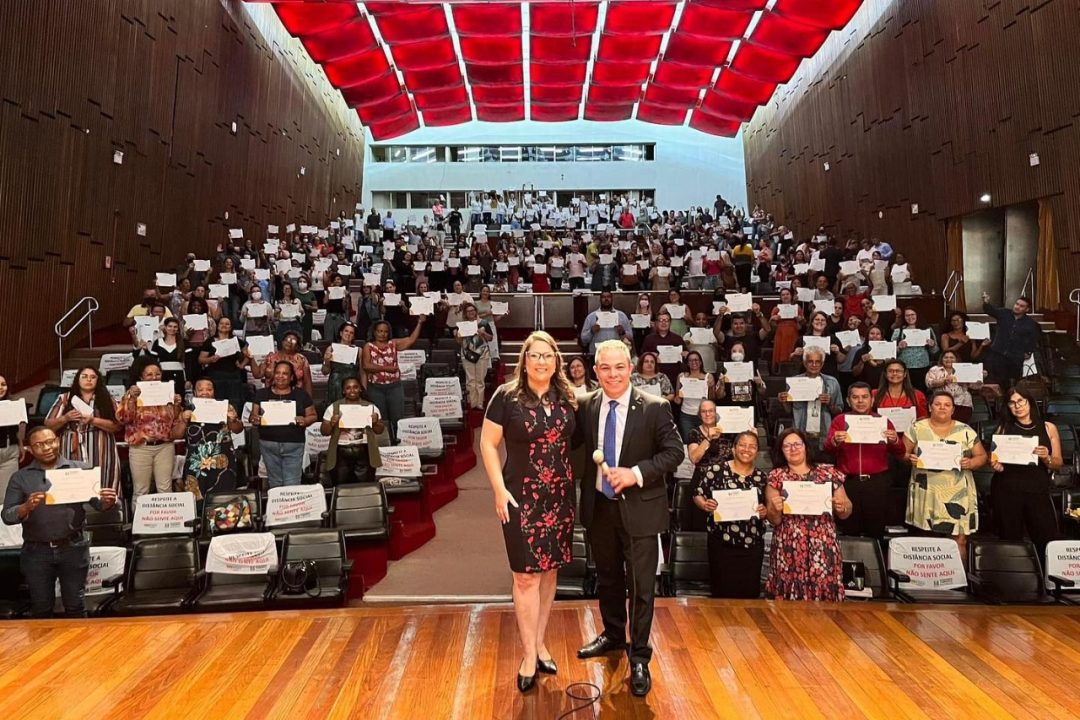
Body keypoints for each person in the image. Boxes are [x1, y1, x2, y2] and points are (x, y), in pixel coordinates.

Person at [573, 340, 683, 697]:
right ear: (595, 372)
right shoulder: (586, 405)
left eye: (619, 367)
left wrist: (635, 473)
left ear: (631, 368)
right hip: (599, 508)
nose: (613, 374)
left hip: (641, 509)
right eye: (605, 368)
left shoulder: (655, 407)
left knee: (640, 587)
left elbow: (674, 453)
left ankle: (639, 656)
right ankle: (613, 635)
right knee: (607, 578)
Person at [480, 331, 578, 693]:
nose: (541, 362)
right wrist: (498, 489)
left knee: (549, 572)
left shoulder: (567, 396)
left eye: (548, 356)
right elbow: (488, 444)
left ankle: (539, 643)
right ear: (524, 360)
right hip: (520, 497)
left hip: (560, 498)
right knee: (525, 576)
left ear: (556, 361)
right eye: (534, 356)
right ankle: (526, 655)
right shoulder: (505, 397)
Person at [1, 426, 118, 617]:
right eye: (39, 445)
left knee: (75, 606)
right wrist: (26, 507)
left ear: (57, 441)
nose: (46, 448)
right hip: (36, 552)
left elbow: (100, 505)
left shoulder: (80, 469)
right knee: (41, 608)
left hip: (73, 547)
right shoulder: (20, 477)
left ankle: (80, 647)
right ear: (30, 449)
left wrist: (109, 501)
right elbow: (7, 515)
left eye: (50, 442)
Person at [764, 428, 852, 601]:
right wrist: (775, 508)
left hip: (823, 546)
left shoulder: (828, 473)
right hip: (788, 548)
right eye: (787, 446)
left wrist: (842, 507)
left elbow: (846, 511)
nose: (793, 448)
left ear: (806, 447)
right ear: (781, 451)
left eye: (797, 444)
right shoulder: (776, 477)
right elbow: (773, 520)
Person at [903, 391, 987, 563]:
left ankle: (958, 582)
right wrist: (909, 458)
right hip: (927, 490)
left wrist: (970, 463)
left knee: (958, 539)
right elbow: (902, 453)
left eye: (947, 405)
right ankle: (929, 578)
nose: (942, 407)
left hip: (957, 493)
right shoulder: (917, 428)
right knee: (926, 538)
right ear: (929, 407)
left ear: (953, 409)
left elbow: (982, 457)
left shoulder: (965, 430)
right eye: (938, 404)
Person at [823, 382, 906, 539]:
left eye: (864, 397)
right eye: (855, 397)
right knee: (849, 530)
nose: (860, 401)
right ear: (848, 401)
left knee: (876, 530)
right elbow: (827, 448)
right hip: (848, 483)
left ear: (872, 400)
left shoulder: (883, 421)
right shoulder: (840, 420)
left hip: (877, 483)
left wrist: (895, 440)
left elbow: (900, 452)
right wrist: (835, 440)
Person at [692, 430, 768, 598]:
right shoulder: (716, 470)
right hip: (721, 544)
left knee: (749, 597)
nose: (746, 449)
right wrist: (704, 504)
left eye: (752, 446)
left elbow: (768, 509)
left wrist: (765, 511)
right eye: (742, 445)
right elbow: (698, 494)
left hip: (752, 546)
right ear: (734, 448)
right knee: (721, 597)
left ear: (757, 452)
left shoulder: (762, 478)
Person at [989, 387, 1061, 560]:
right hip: (1007, 489)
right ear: (1008, 406)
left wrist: (1047, 458)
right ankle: (1013, 581)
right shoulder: (1003, 428)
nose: (1017, 406)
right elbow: (993, 459)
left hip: (1037, 489)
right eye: (1012, 402)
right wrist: (995, 464)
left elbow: (1057, 463)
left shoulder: (1048, 428)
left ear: (1030, 402)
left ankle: (1048, 581)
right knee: (1010, 539)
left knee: (1045, 537)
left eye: (1021, 401)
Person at [116, 358, 187, 497]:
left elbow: (175, 422)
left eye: (157, 374)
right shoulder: (131, 395)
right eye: (149, 375)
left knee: (165, 489)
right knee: (141, 490)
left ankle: (166, 519)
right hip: (140, 447)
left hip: (165, 447)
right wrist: (131, 398)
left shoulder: (168, 394)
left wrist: (177, 406)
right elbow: (123, 419)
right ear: (141, 377)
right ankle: (138, 519)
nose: (154, 377)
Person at [250, 360, 317, 488]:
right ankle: (277, 508)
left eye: (285, 373)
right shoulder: (261, 394)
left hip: (293, 444)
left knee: (292, 483)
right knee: (275, 483)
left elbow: (313, 416)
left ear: (291, 377)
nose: (280, 376)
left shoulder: (301, 395)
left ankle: (290, 508)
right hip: (268, 445)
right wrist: (255, 419)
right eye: (278, 373)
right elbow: (252, 416)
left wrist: (305, 420)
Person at [362, 317, 427, 444]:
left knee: (397, 418)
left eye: (385, 331)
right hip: (376, 388)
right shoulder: (368, 346)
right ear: (374, 332)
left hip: (394, 387)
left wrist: (419, 323)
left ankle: (397, 444)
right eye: (380, 331)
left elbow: (411, 339)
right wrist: (388, 368)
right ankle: (384, 445)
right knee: (381, 419)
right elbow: (366, 366)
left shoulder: (394, 344)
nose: (382, 334)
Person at [179, 379, 243, 499]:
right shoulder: (187, 410)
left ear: (214, 391)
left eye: (209, 389)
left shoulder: (225, 407)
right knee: (196, 497)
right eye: (201, 389)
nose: (205, 393)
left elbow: (238, 429)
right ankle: (199, 518)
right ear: (194, 392)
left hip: (222, 460)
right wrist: (183, 420)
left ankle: (221, 518)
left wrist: (233, 419)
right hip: (196, 461)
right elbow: (176, 435)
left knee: (223, 496)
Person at [320, 377, 385, 486]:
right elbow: (324, 431)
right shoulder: (333, 407)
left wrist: (375, 423)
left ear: (360, 389)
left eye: (355, 387)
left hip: (364, 451)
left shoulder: (371, 407)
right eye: (348, 388)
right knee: (341, 487)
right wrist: (331, 423)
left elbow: (380, 430)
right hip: (340, 452)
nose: (352, 390)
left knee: (365, 487)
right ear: (343, 391)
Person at [777, 348, 843, 454]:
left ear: (822, 364)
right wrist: (783, 401)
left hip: (824, 434)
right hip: (801, 433)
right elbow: (789, 411)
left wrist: (830, 404)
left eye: (817, 362)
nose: (814, 365)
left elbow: (839, 411)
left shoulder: (832, 382)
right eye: (810, 361)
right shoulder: (794, 382)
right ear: (804, 362)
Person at [981, 293, 1040, 388]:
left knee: (1012, 383)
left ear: (1027, 309)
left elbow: (1033, 340)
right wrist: (986, 302)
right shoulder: (1004, 313)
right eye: (1017, 304)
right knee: (995, 380)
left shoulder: (1031, 324)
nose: (1017, 307)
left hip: (1015, 357)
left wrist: (1029, 351)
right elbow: (990, 310)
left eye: (1021, 306)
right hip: (997, 353)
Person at [198, 316, 253, 412]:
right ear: (217, 326)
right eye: (221, 323)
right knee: (217, 400)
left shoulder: (236, 341)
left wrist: (242, 365)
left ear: (231, 327)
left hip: (233, 376)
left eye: (227, 324)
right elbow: (201, 359)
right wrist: (211, 359)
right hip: (215, 375)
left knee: (233, 401)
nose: (224, 326)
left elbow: (248, 355)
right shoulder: (210, 341)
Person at [926, 350, 983, 423]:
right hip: (942, 404)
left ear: (956, 359)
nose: (948, 359)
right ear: (941, 359)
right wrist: (944, 381)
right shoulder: (935, 370)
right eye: (946, 357)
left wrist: (979, 376)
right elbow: (929, 383)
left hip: (963, 404)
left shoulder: (964, 369)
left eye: (951, 357)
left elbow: (976, 386)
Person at [252, 331, 314, 399]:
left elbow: (307, 382)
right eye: (287, 340)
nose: (289, 342)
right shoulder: (270, 358)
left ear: (297, 346)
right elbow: (258, 374)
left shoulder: (302, 360)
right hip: (272, 397)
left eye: (293, 341)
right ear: (282, 342)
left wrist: (309, 402)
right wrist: (251, 358)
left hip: (296, 397)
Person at [456, 303, 494, 411]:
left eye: (473, 310)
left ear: (476, 311)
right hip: (466, 354)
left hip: (482, 354)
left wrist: (483, 334)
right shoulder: (461, 325)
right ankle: (471, 402)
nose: (471, 312)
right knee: (470, 379)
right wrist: (457, 335)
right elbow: (459, 341)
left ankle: (480, 403)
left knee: (480, 380)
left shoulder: (484, 323)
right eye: (468, 311)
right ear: (465, 313)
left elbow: (490, 338)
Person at [891, 307, 936, 392]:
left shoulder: (927, 329)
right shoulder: (898, 331)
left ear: (917, 315)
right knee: (904, 392)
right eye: (907, 315)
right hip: (904, 368)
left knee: (921, 392)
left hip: (923, 367)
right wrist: (899, 347)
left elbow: (935, 351)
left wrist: (932, 345)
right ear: (903, 317)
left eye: (912, 314)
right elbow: (891, 352)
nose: (910, 317)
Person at [675, 351, 716, 441]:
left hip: (704, 415)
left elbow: (712, 398)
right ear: (687, 363)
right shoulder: (682, 377)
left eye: (696, 360)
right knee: (688, 441)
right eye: (690, 360)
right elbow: (677, 399)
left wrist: (711, 386)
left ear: (701, 362)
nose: (694, 362)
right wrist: (678, 397)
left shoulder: (708, 377)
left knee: (706, 441)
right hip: (686, 415)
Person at [580, 290, 632, 357]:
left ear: (612, 299)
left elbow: (631, 337)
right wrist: (591, 332)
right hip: (597, 354)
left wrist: (623, 332)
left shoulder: (621, 316)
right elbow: (583, 339)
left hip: (617, 354)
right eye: (603, 297)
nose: (606, 299)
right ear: (600, 299)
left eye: (608, 297)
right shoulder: (591, 317)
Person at [641, 311, 685, 389]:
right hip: (654, 378)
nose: (664, 322)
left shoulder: (678, 339)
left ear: (670, 323)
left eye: (666, 320)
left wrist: (685, 354)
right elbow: (642, 358)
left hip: (674, 377)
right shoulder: (649, 339)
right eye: (661, 320)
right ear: (656, 323)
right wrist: (650, 355)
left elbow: (685, 358)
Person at [0, 375, 27, 498]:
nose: (1, 388)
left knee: (7, 494)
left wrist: (20, 445)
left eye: (3, 384)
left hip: (10, 452)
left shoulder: (12, 404)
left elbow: (15, 429)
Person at [322, 323, 361, 406]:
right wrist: (326, 361)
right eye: (346, 331)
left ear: (354, 336)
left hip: (352, 386)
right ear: (341, 333)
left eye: (351, 333)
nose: (348, 334)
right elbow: (325, 371)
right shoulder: (331, 348)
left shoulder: (359, 351)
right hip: (335, 386)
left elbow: (362, 372)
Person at [686, 400, 732, 468]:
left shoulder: (728, 431)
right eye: (703, 411)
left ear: (716, 413)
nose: (707, 414)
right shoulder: (694, 433)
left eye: (711, 411)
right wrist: (708, 438)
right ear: (700, 414)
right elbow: (694, 459)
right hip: (703, 475)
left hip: (725, 475)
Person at [769, 287, 804, 373]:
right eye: (783, 295)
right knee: (780, 355)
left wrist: (799, 320)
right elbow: (771, 327)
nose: (785, 296)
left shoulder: (797, 308)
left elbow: (800, 327)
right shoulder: (776, 308)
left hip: (793, 333)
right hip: (780, 334)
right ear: (780, 297)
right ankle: (779, 372)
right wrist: (773, 319)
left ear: (791, 296)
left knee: (792, 354)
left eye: (787, 294)